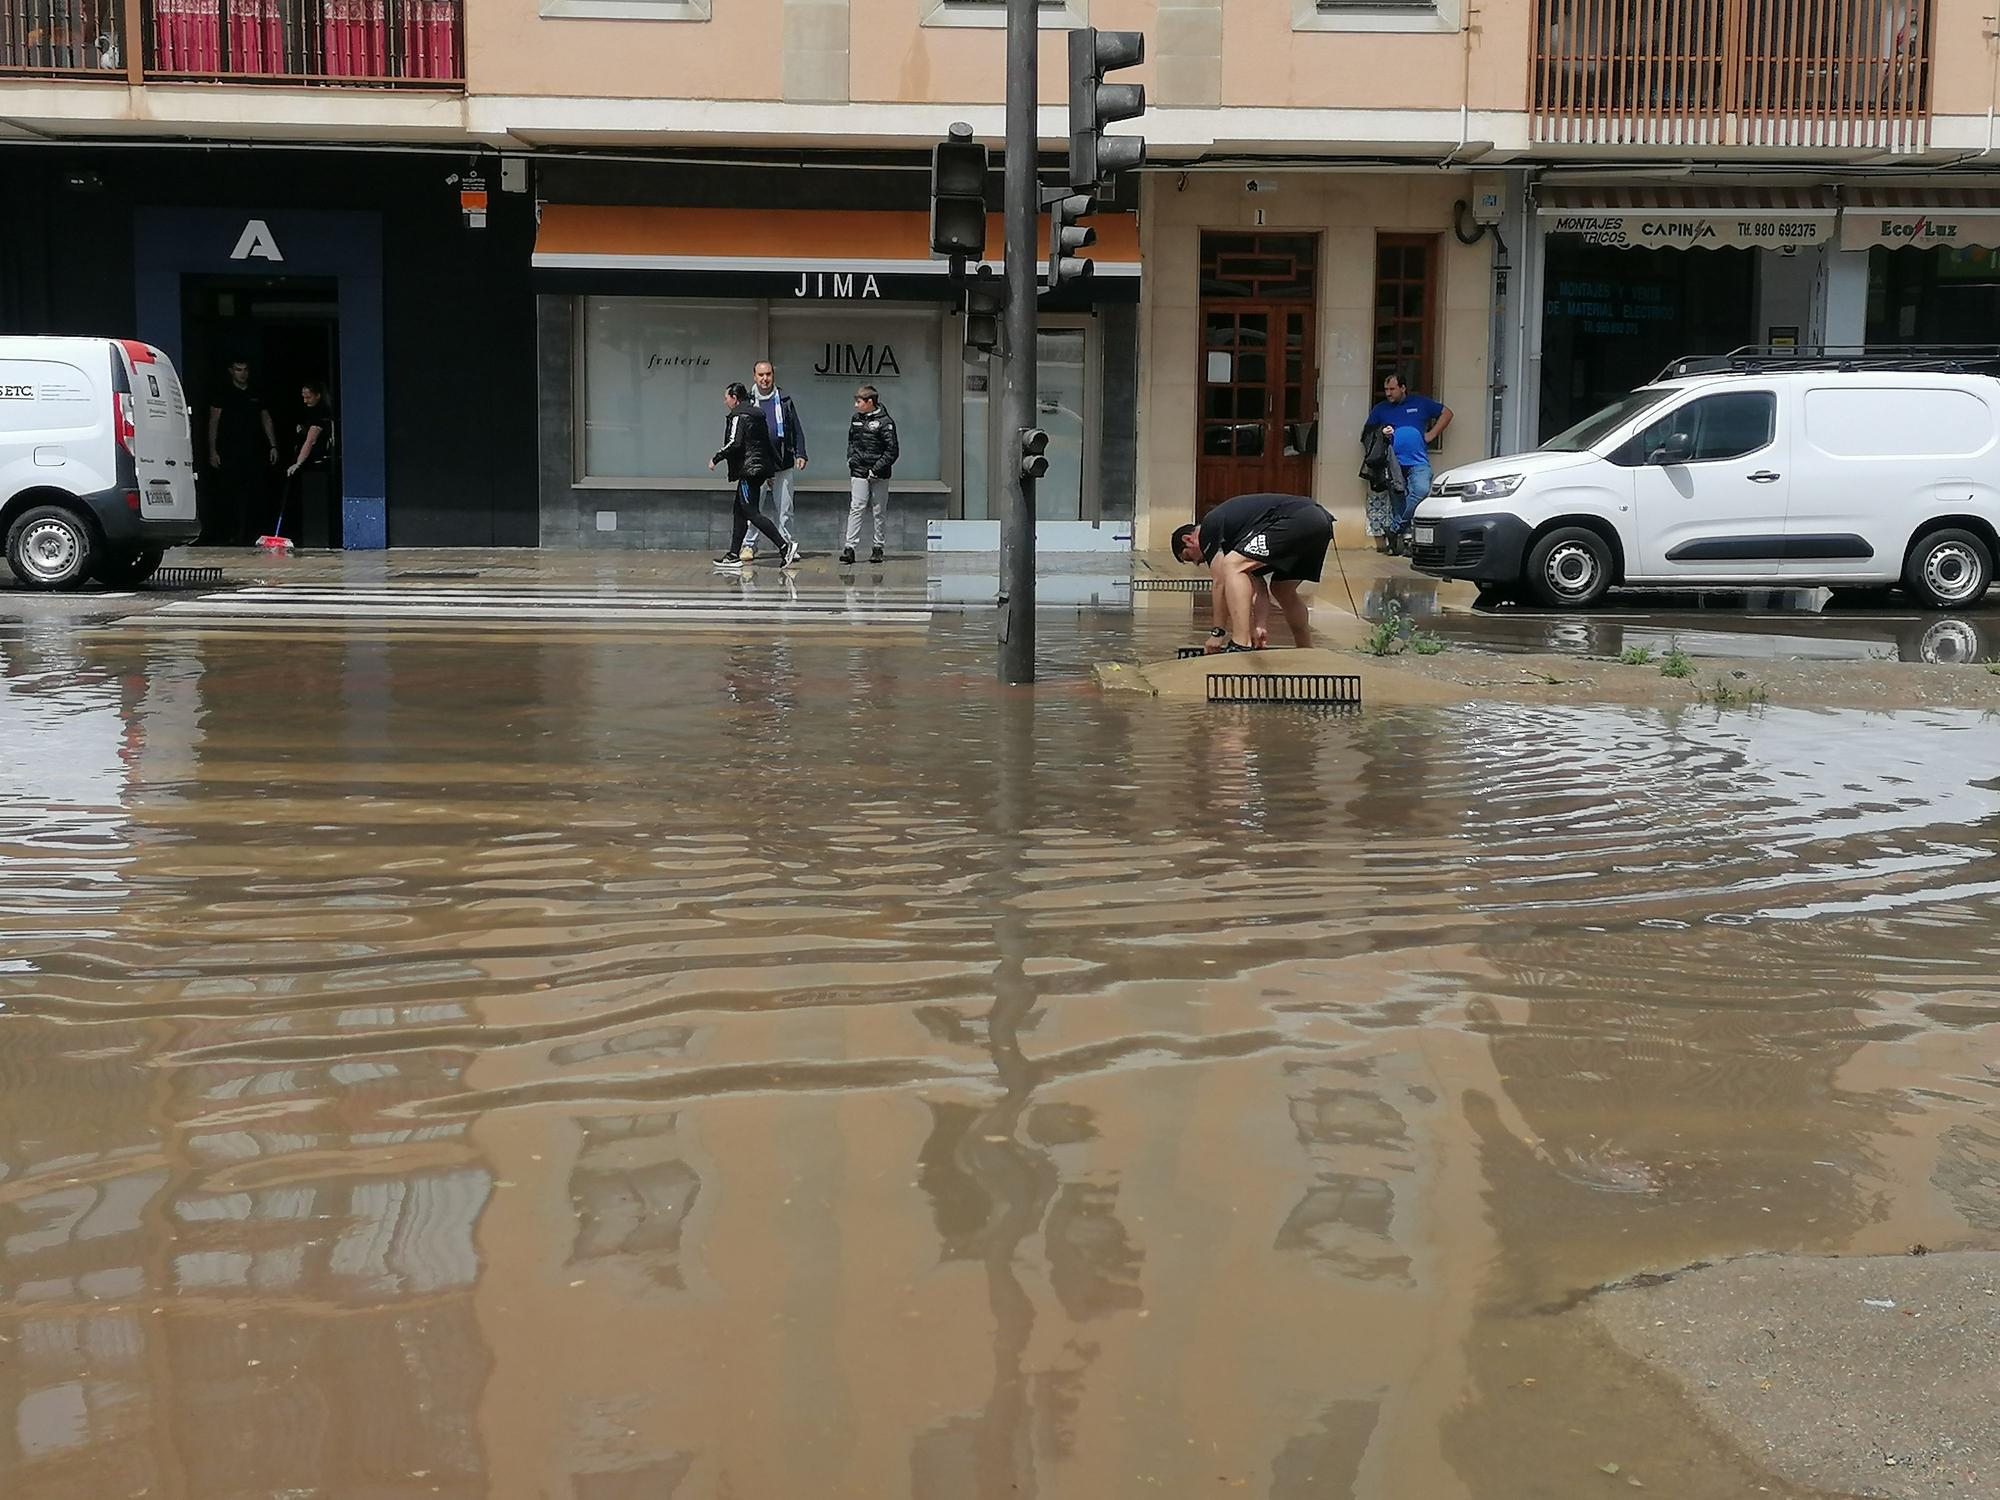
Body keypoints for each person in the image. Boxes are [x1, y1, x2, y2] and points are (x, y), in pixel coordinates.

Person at [1170, 493, 1332, 654]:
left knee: (1232, 565)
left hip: (1296, 519)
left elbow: (1220, 582)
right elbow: (1258, 585)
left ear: (1188, 540)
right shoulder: (1237, 536)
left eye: (1190, 557)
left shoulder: (1208, 528)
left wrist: (1217, 633)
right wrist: (1259, 625)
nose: (1199, 562)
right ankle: (1306, 649)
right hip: (1319, 522)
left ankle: (1241, 643)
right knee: (1282, 589)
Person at [709, 381, 800, 568]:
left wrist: (716, 458)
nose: (725, 401)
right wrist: (770, 469)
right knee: (739, 512)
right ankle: (733, 554)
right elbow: (766, 442)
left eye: (726, 397)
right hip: (758, 469)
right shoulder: (758, 414)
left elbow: (734, 442)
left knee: (751, 512)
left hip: (748, 470)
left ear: (735, 398)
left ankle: (784, 547)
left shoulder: (738, 416)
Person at [1362, 371, 1452, 551]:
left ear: (1403, 388)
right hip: (1393, 463)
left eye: (1392, 389)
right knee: (1398, 503)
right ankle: (1401, 544)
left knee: (1421, 490)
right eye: (1386, 389)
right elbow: (1366, 434)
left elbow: (1447, 413)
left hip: (1418, 461)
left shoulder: (1420, 403)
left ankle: (1395, 529)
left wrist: (1432, 434)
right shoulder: (1380, 409)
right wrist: (1381, 432)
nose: (1388, 393)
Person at [206, 359, 278, 545]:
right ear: (231, 371)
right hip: (229, 452)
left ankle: (252, 534)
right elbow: (214, 421)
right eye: (238, 370)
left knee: (254, 494)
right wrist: (212, 450)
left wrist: (273, 445)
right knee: (230, 495)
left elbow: (266, 418)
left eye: (246, 370)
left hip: (254, 451)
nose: (243, 373)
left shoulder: (256, 393)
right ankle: (230, 534)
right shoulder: (223, 393)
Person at [750, 360, 807, 554]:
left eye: (768, 374)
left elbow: (796, 428)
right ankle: (749, 545)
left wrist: (801, 453)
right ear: (754, 376)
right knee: (752, 508)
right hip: (755, 466)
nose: (765, 379)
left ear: (773, 375)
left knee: (785, 509)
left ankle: (788, 546)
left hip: (782, 462)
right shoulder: (748, 401)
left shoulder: (784, 400)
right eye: (761, 375)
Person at [841, 384, 898, 566]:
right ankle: (849, 548)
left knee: (878, 510)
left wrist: (877, 469)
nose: (856, 405)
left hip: (879, 473)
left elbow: (892, 451)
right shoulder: (856, 419)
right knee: (856, 507)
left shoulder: (886, 422)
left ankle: (877, 547)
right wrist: (851, 458)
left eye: (859, 402)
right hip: (859, 470)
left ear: (870, 402)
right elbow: (851, 441)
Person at [282, 382, 335, 544]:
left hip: (316, 465)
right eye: (303, 397)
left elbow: (311, 440)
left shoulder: (320, 413)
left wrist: (298, 463)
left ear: (318, 395)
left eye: (308, 397)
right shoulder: (309, 412)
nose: (305, 400)